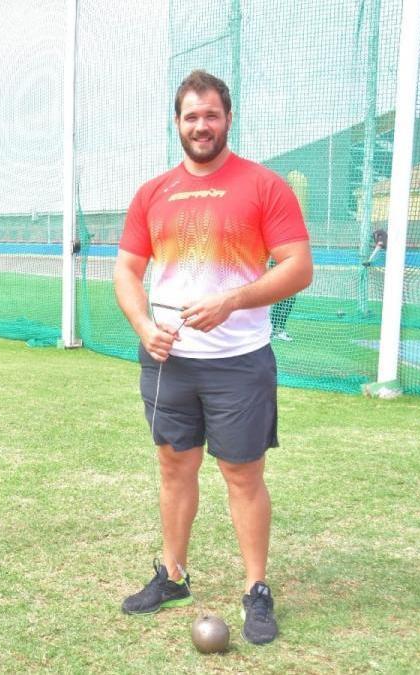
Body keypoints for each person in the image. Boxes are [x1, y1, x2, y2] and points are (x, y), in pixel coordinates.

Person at [113, 70, 312, 645]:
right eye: (190, 116)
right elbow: (127, 270)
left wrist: (233, 300)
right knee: (174, 467)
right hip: (169, 361)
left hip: (239, 361)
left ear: (228, 119)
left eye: (211, 115)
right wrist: (142, 325)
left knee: (242, 474)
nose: (201, 125)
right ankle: (172, 575)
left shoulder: (264, 186)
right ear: (177, 123)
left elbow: (298, 266)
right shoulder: (153, 192)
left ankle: (256, 589)